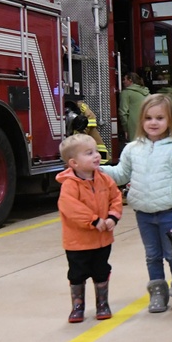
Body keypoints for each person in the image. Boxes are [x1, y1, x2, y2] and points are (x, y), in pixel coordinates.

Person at [101, 93, 172, 313]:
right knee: (152, 255)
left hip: (170, 212)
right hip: (143, 213)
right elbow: (121, 174)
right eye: (148, 118)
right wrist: (98, 170)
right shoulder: (132, 149)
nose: (153, 123)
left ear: (170, 121)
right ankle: (158, 293)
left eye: (160, 118)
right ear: (141, 120)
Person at [56, 133, 122, 323]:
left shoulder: (104, 179)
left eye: (95, 151)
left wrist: (112, 217)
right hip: (77, 243)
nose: (96, 155)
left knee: (101, 271)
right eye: (89, 153)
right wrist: (93, 220)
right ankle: (78, 306)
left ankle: (103, 303)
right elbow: (70, 208)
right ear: (74, 163)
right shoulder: (69, 185)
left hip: (102, 240)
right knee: (77, 274)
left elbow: (116, 198)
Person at [118, 72, 149, 143]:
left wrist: (126, 129)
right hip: (147, 125)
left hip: (134, 128)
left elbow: (123, 112)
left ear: (130, 80)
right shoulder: (147, 93)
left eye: (124, 79)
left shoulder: (126, 93)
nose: (123, 81)